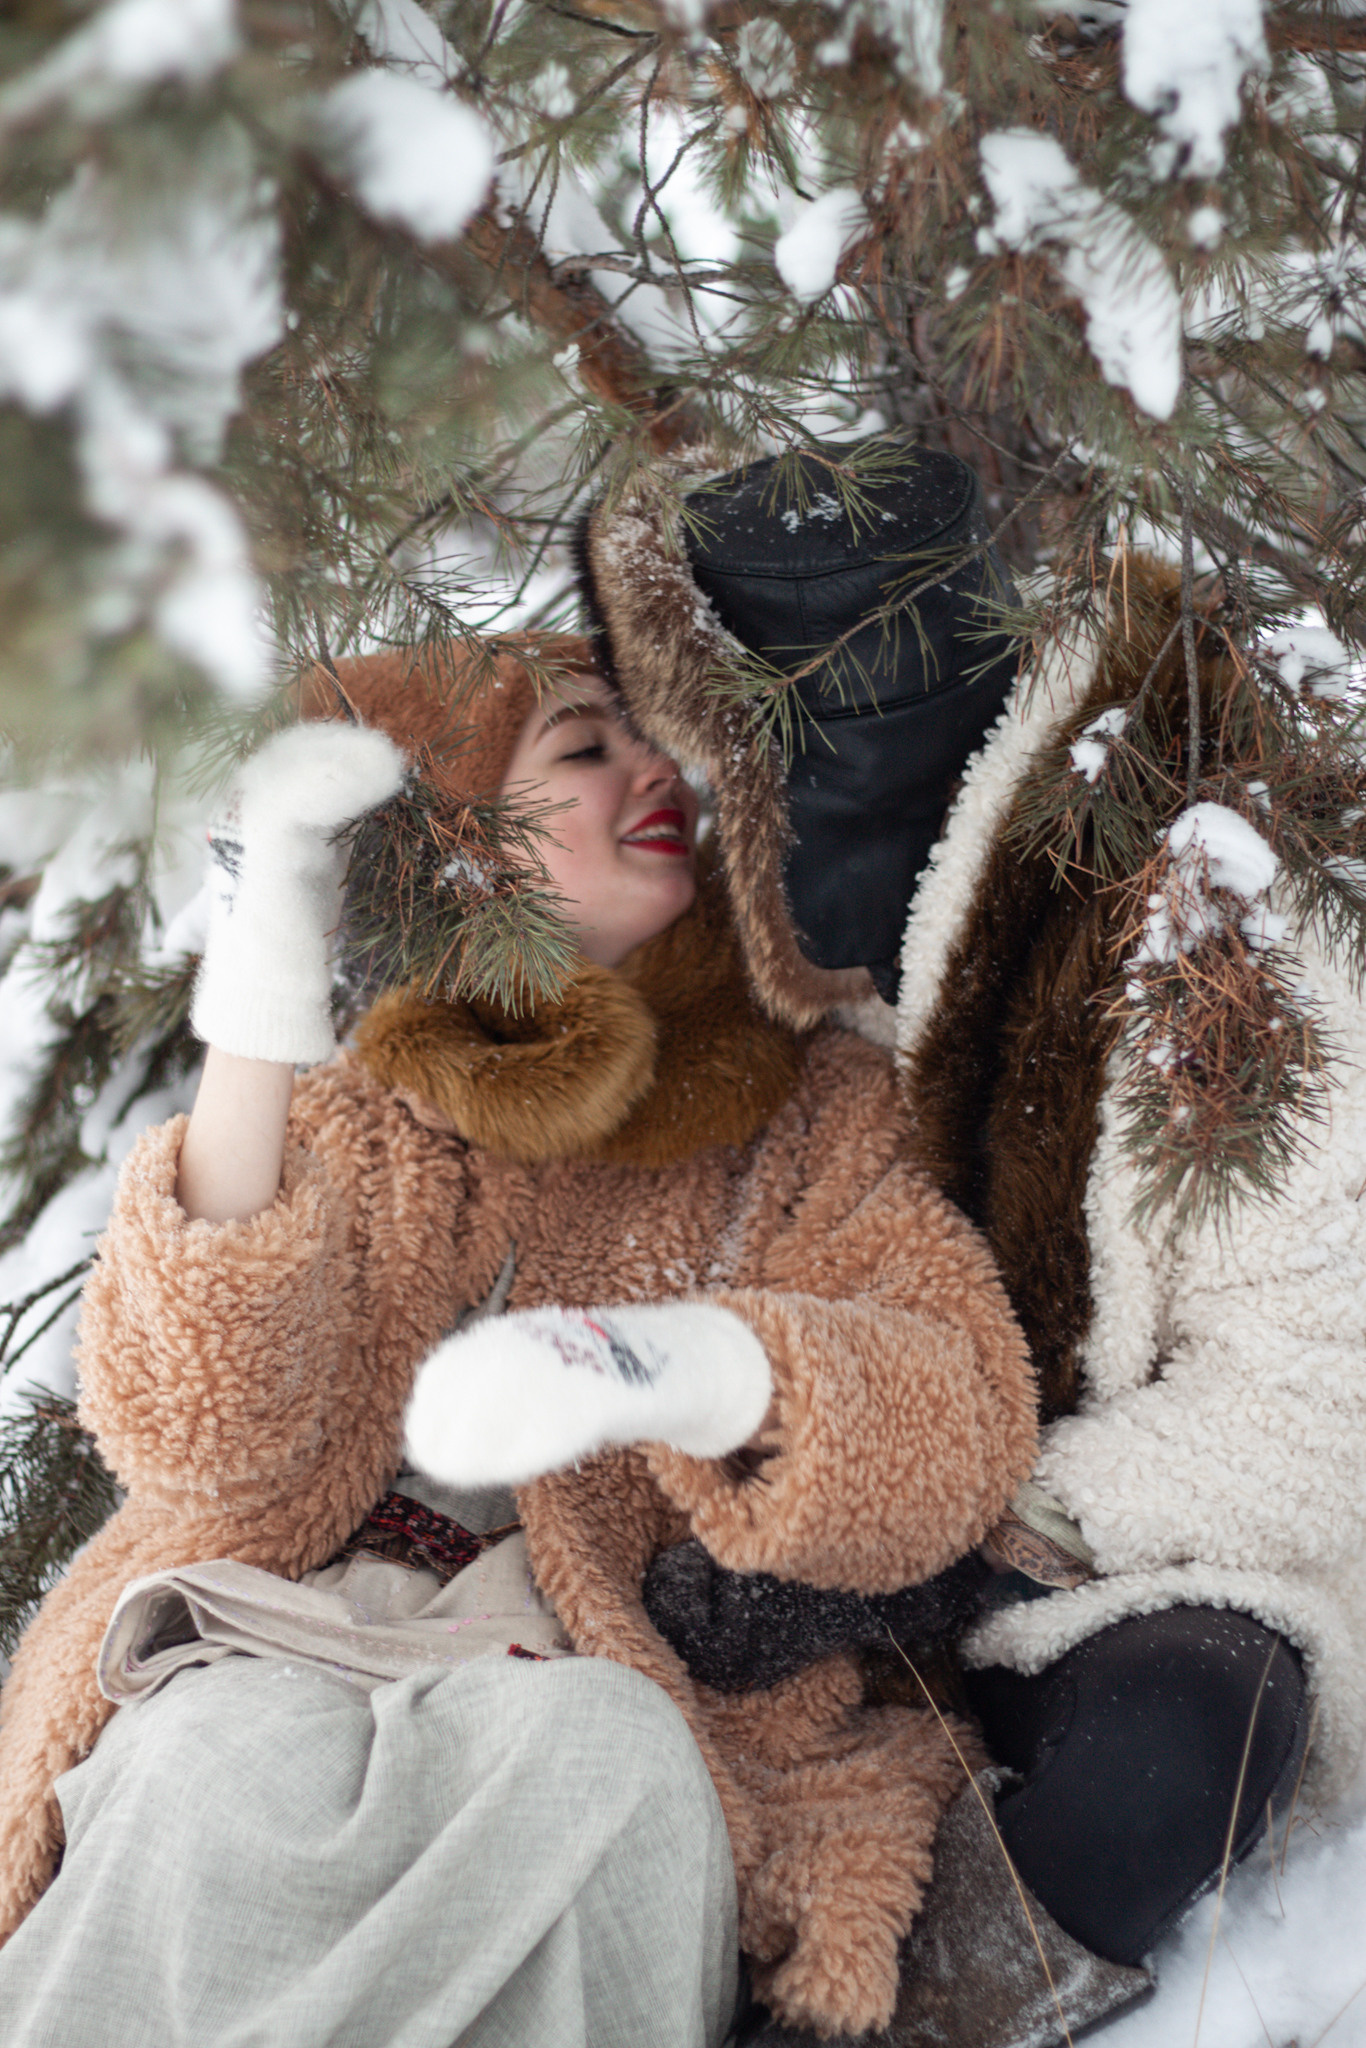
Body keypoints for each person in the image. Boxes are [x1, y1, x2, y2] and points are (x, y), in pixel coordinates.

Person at [0, 638, 1038, 2047]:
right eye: (583, 746)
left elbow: (956, 1421)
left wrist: (684, 1367)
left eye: (656, 742)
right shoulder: (373, 1110)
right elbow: (198, 1429)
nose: (653, 773)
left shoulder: (816, 1111)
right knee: (213, 1765)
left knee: (600, 1761)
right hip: (289, 1642)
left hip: (592, 1678)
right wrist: (264, 971)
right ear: (466, 842)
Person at [575, 443, 1346, 2046]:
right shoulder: (739, 967)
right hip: (775, 1578)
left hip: (1141, 1558)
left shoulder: (1207, 927)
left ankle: (914, 2014)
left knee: (1180, 1742)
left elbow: (1319, 1397)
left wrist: (947, 1549)